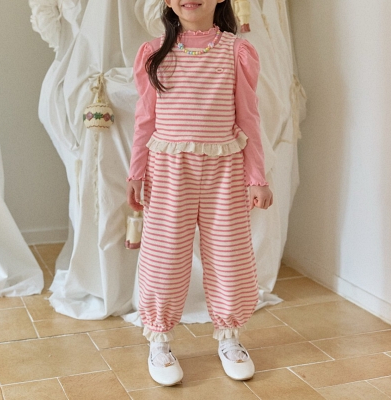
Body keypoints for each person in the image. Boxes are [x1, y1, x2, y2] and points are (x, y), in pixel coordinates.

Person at [127, 0, 273, 386]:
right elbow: (145, 119)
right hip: (167, 171)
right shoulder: (154, 53)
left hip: (225, 169)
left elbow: (248, 117)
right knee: (164, 256)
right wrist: (136, 171)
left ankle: (230, 337)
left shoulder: (236, 51)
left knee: (230, 254)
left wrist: (257, 176)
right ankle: (159, 340)